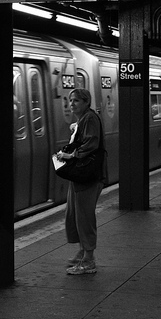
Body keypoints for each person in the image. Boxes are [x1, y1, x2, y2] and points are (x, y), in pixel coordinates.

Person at [56, 88, 106, 275]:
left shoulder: (90, 118)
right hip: (80, 176)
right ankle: (83, 251)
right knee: (75, 214)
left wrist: (70, 155)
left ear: (86, 102)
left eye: (76, 100)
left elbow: (91, 143)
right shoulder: (84, 119)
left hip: (88, 175)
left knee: (84, 217)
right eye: (70, 100)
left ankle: (89, 260)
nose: (72, 104)